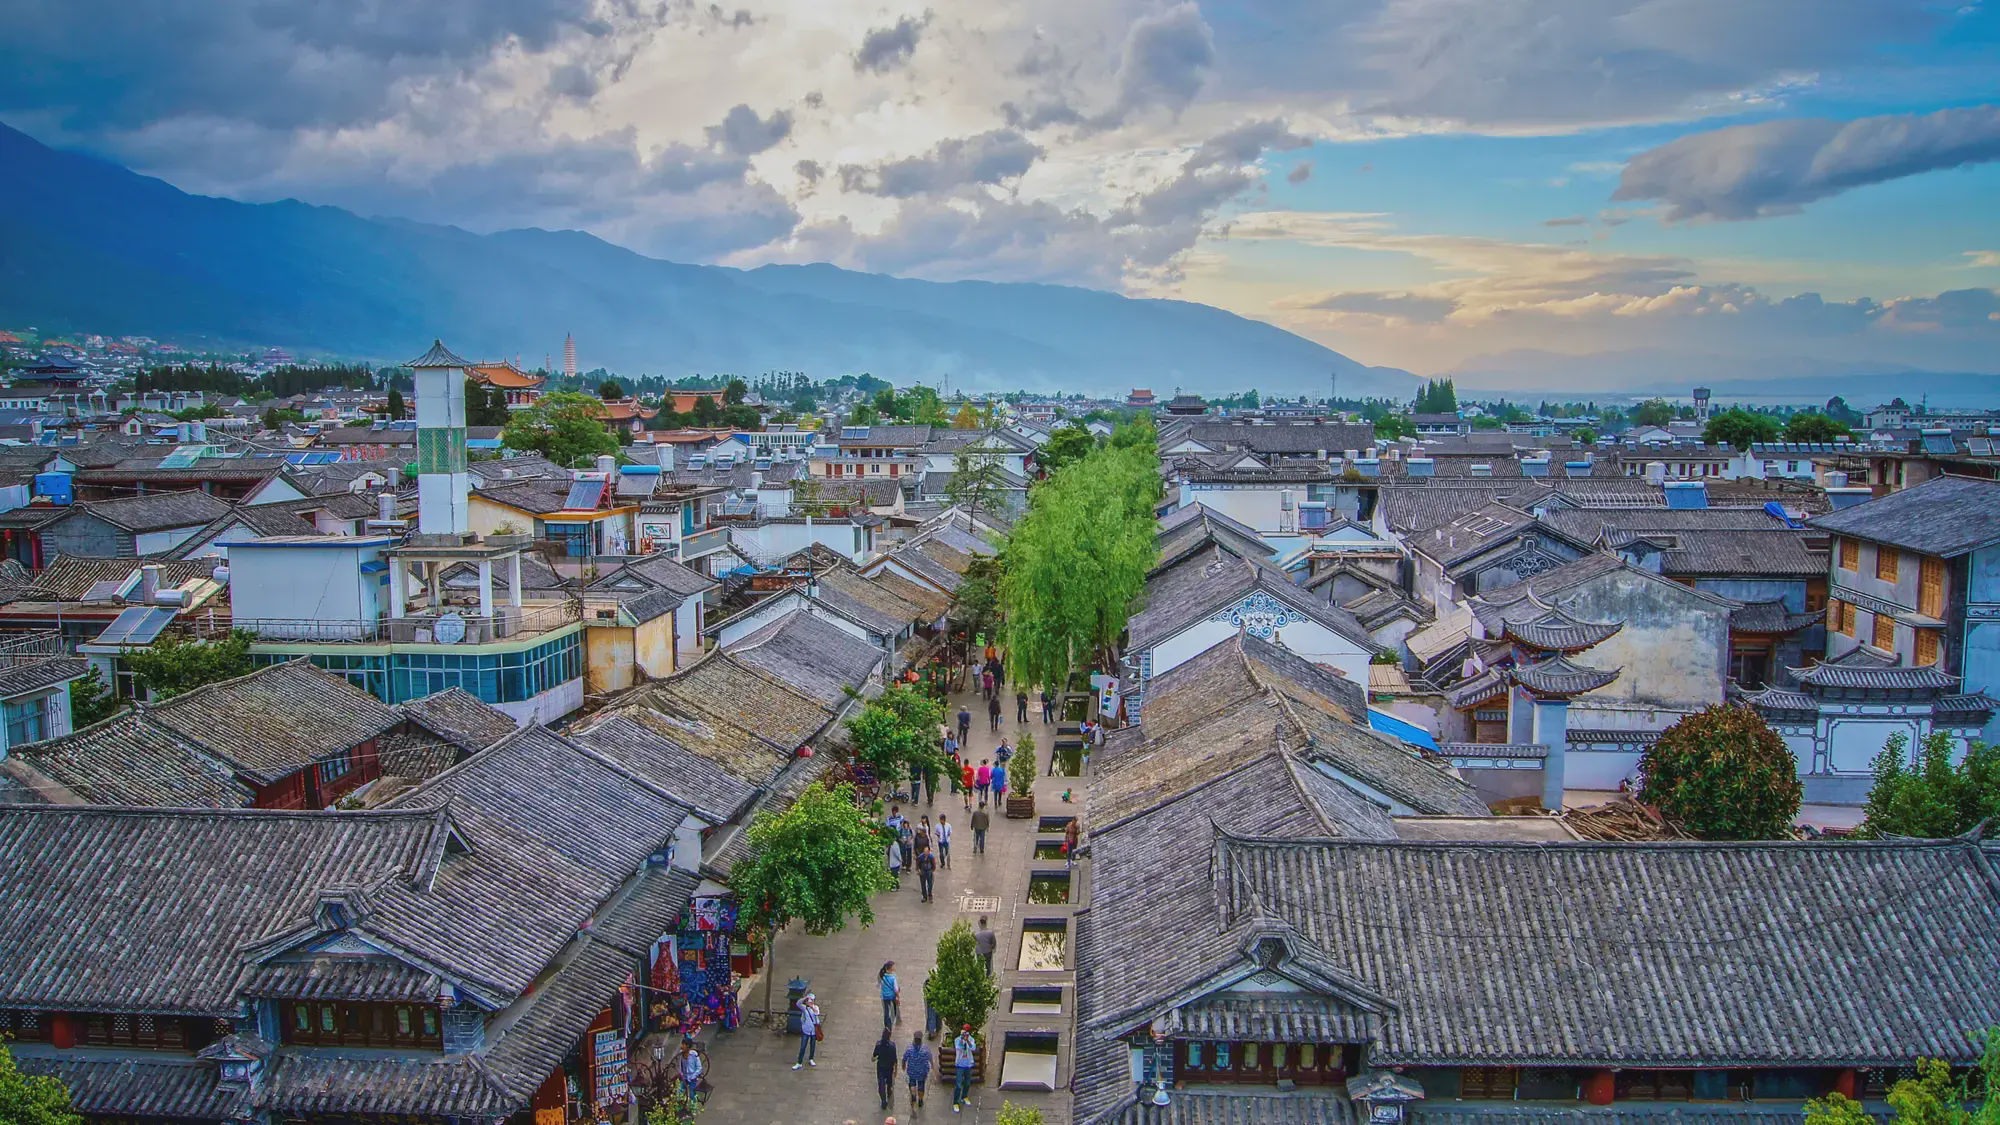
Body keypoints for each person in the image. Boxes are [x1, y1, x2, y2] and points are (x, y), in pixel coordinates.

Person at [952, 1025, 978, 1112]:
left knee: (967, 1083)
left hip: (968, 1064)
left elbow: (973, 1048)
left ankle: (964, 1096)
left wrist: (968, 1041)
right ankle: (955, 1102)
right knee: (958, 1085)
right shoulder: (957, 1039)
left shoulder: (971, 1039)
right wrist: (962, 1039)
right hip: (960, 1065)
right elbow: (958, 1047)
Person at [904, 1032, 933, 1109]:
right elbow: (930, 1058)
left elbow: (905, 1058)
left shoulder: (910, 1048)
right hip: (922, 1072)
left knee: (912, 1084)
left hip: (912, 1071)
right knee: (921, 1085)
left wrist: (903, 1065)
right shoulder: (925, 1049)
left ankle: (913, 1096)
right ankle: (920, 1100)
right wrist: (932, 1067)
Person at [794, 992, 822, 1069]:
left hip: (813, 1031)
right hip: (806, 1030)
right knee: (803, 1046)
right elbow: (798, 1004)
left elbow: (817, 1013)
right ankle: (799, 1062)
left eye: (812, 1000)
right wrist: (805, 998)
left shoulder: (816, 1007)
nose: (810, 1001)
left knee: (812, 1046)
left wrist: (812, 1006)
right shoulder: (804, 1008)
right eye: (809, 1000)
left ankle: (811, 1059)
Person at [874, 1027, 899, 1111]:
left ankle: (883, 1101)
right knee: (889, 1082)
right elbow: (895, 1059)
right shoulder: (892, 1046)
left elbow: (873, 1057)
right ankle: (889, 1091)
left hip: (881, 1067)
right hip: (889, 1068)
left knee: (881, 1084)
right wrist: (896, 1070)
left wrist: (875, 1058)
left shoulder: (878, 1045)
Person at [675, 1038, 706, 1103]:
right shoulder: (680, 1054)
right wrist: (680, 1074)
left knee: (692, 1095)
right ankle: (680, 1106)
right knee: (679, 1092)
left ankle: (693, 1107)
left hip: (692, 1078)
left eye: (683, 1045)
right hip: (683, 1077)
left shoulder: (694, 1054)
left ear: (688, 1046)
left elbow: (699, 1067)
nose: (681, 1046)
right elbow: (678, 1065)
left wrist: (693, 1076)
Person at [879, 962, 902, 1027]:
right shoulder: (893, 977)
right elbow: (896, 989)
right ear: (890, 969)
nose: (894, 968)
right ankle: (895, 1019)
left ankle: (886, 1024)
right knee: (895, 1007)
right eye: (893, 967)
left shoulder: (883, 976)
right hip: (892, 996)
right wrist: (898, 997)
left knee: (886, 1010)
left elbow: (879, 985)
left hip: (885, 996)